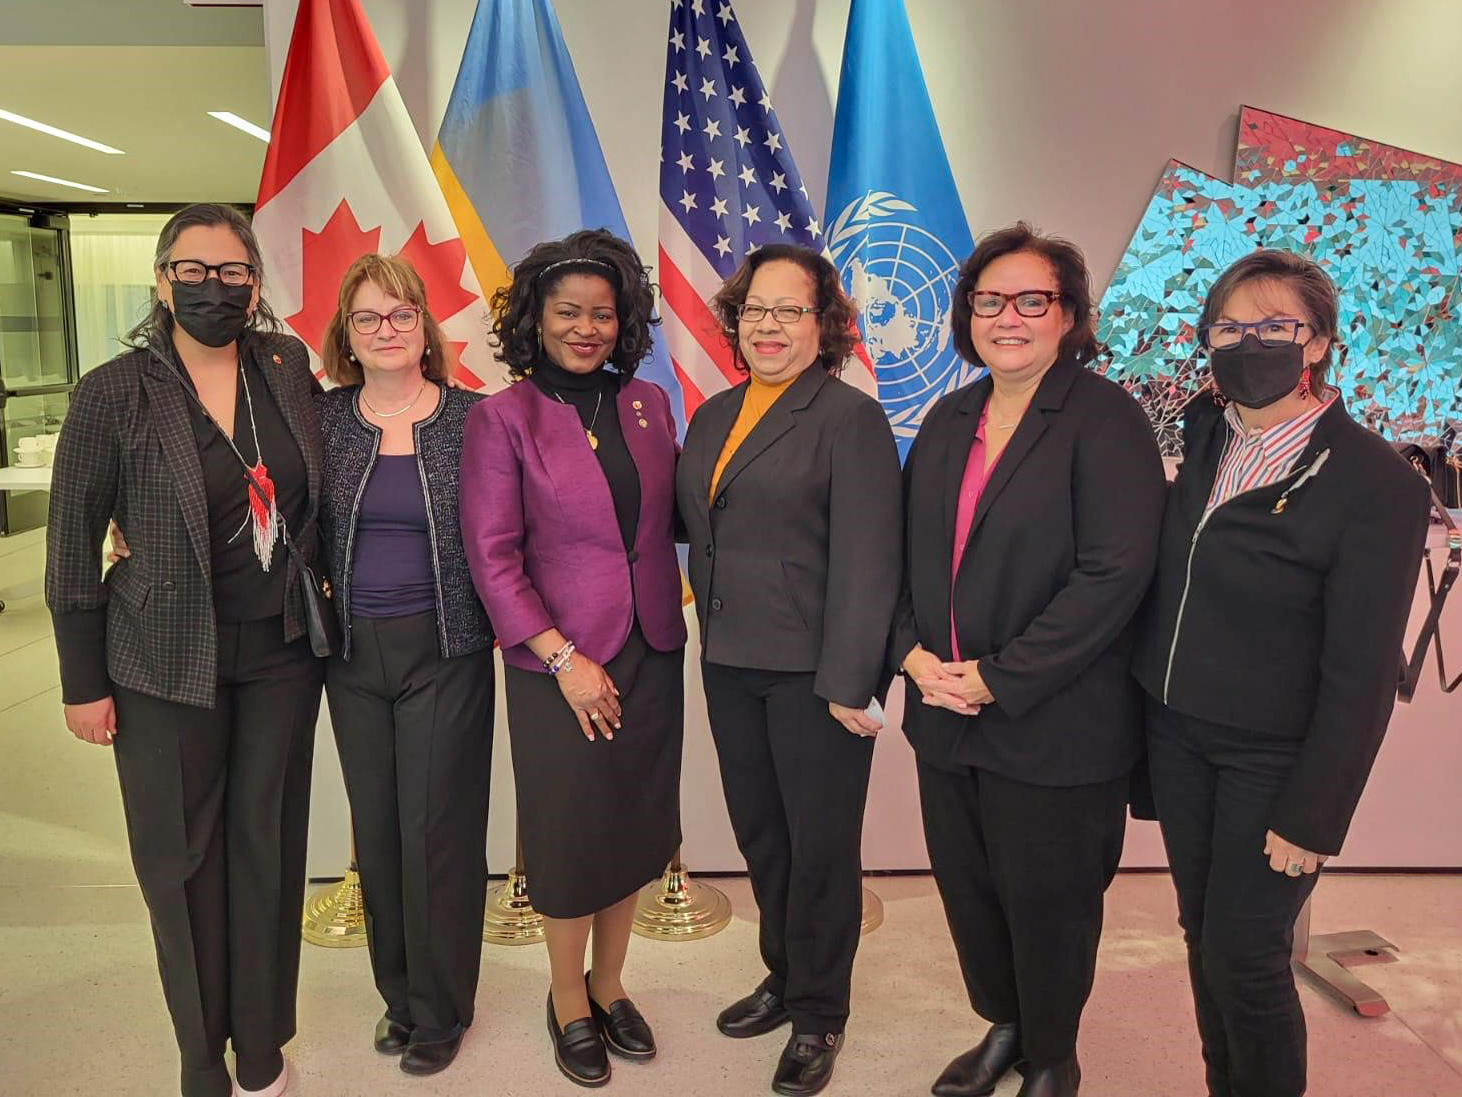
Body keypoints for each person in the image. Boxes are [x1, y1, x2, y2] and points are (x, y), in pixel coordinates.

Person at [1133, 250, 1430, 1097]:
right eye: (1229, 327)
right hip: (1178, 735)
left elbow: (1363, 670)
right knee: (1202, 934)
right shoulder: (1205, 433)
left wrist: (1315, 812)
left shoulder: (1374, 480)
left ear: (1320, 344)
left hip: (1276, 757)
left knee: (1248, 953)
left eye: (1274, 327)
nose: (1248, 342)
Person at [45, 203, 324, 1097]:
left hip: (281, 651)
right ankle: (202, 1055)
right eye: (194, 271)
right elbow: (69, 546)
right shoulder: (112, 389)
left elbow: (314, 491)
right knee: (181, 858)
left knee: (266, 845)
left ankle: (262, 1043)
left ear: (255, 282)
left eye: (233, 271)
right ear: (162, 279)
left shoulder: (286, 365)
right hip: (162, 658)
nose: (214, 287)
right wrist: (82, 682)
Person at [890, 223, 1165, 1097]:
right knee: (971, 892)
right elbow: (903, 554)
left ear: (1069, 315)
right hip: (944, 711)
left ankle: (1053, 1050)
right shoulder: (948, 416)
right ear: (967, 311)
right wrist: (909, 654)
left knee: (1050, 902)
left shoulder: (1106, 418)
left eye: (1031, 300)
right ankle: (1004, 1024)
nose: (1007, 316)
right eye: (988, 299)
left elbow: (1113, 573)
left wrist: (1001, 676)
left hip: (1055, 723)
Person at [676, 244, 902, 1097]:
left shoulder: (849, 418)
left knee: (819, 851)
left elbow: (872, 560)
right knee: (763, 836)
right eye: (755, 310)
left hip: (816, 676)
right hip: (730, 660)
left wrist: (855, 680)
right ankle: (783, 970)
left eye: (789, 310)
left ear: (824, 326)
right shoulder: (713, 414)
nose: (768, 326)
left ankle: (819, 1012)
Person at [460, 229, 685, 1088]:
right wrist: (563, 658)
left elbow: (670, 526)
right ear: (535, 320)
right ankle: (564, 997)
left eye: (603, 313)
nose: (587, 328)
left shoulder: (649, 405)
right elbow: (494, 557)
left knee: (635, 822)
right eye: (568, 312)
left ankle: (611, 983)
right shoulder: (501, 417)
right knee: (568, 833)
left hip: (655, 647)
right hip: (559, 664)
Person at [313, 254, 495, 1076]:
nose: (385, 329)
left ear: (425, 325)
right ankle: (399, 994)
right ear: (346, 337)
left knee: (438, 835)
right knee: (379, 834)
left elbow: (525, 521)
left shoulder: (476, 418)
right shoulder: (320, 423)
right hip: (350, 655)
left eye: (400, 314)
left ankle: (442, 1008)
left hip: (446, 648)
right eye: (367, 318)